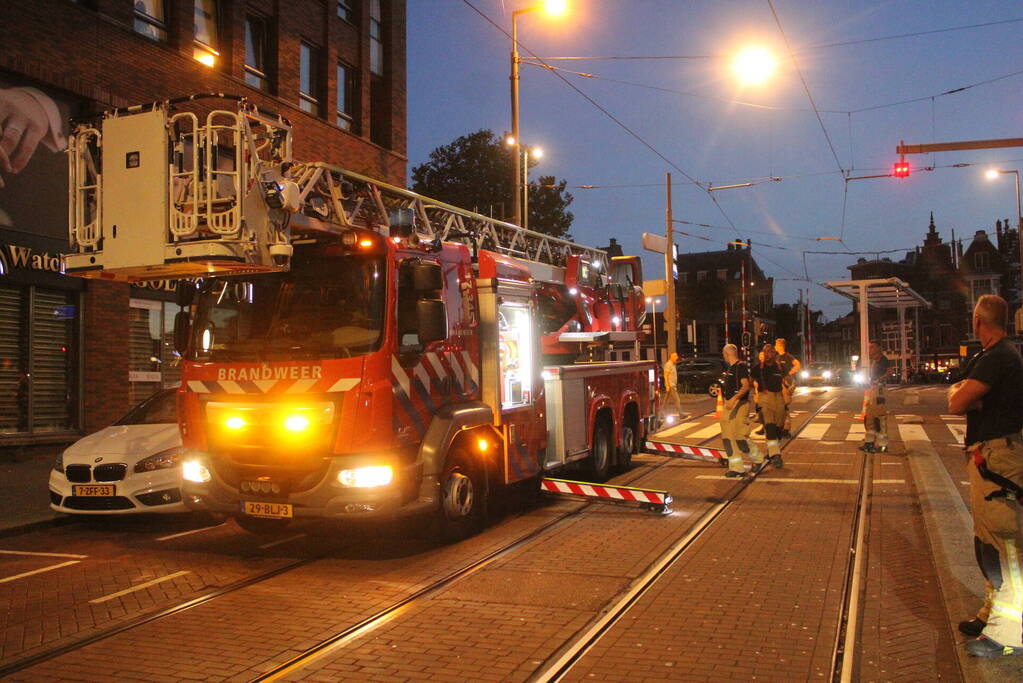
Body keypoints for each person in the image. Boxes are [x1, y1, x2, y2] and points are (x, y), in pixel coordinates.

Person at [948, 294, 1023, 657]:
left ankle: (1009, 633)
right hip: (989, 459)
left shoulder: (998, 358)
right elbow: (960, 395)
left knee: (1003, 543)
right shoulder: (996, 357)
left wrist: (967, 395)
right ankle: (992, 613)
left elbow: (956, 401)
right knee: (987, 542)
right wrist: (967, 395)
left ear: (979, 321)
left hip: (999, 461)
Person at [719, 344, 762, 478]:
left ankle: (743, 465)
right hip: (732, 404)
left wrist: (733, 399)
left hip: (737, 405)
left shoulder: (740, 367)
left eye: (724, 355)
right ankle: (751, 461)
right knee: (735, 436)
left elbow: (745, 386)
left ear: (727, 354)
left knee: (733, 437)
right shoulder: (732, 368)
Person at [752, 342, 786, 468]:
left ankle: (772, 452)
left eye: (770, 351)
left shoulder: (780, 367)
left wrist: (791, 386)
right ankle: (776, 455)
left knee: (778, 428)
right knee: (770, 425)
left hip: (779, 397)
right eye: (765, 351)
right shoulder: (758, 368)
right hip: (765, 397)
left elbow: (789, 380)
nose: (768, 353)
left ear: (774, 353)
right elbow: (749, 382)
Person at [859, 341, 891, 453]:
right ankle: (869, 443)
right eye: (869, 347)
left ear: (879, 348)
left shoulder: (883, 360)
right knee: (870, 418)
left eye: (872, 347)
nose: (870, 349)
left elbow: (889, 373)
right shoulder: (874, 361)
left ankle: (883, 445)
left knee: (880, 417)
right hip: (873, 390)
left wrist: (878, 381)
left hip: (879, 391)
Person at [775, 338, 801, 437]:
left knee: (784, 406)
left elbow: (798, 365)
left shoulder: (788, 357)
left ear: (780, 345)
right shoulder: (777, 357)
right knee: (782, 407)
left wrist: (789, 373)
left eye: (776, 344)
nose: (775, 346)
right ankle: (784, 427)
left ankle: (786, 429)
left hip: (785, 384)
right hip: (779, 383)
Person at [661, 352, 682, 416]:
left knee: (666, 400)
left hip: (672, 385)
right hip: (671, 385)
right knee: (677, 399)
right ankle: (681, 413)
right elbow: (665, 375)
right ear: (671, 357)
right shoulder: (668, 364)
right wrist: (667, 385)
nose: (677, 357)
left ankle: (661, 413)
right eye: (675, 356)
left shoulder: (673, 364)